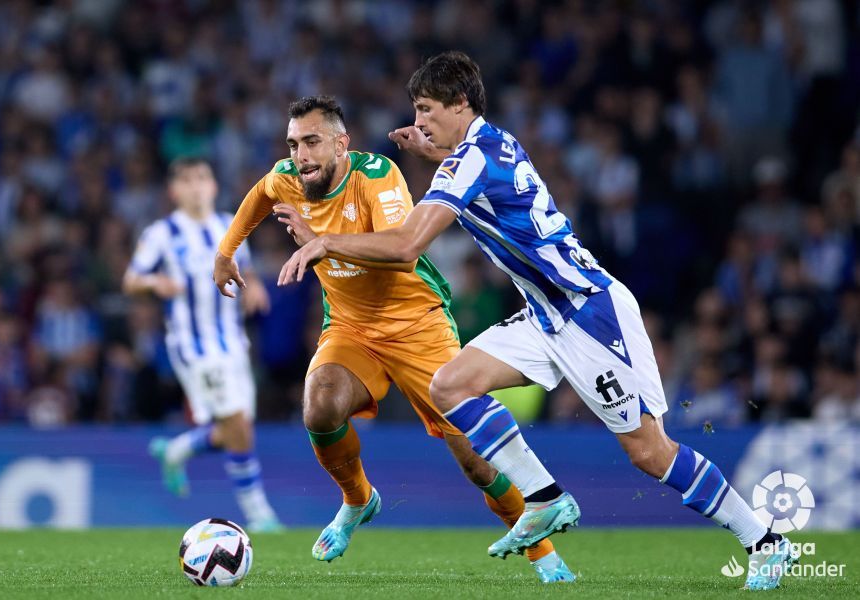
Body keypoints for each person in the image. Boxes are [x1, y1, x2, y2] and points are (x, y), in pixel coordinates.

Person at [277, 53, 795, 591]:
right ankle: (545, 498)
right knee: (450, 384)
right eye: (416, 109)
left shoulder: (468, 161)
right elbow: (468, 168)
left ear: (460, 104)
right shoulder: (492, 143)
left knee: (649, 452)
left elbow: (407, 244)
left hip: (589, 313)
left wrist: (325, 242)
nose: (419, 120)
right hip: (544, 313)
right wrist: (432, 149)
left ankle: (763, 540)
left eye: (427, 109)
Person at [213, 96, 569, 582]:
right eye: (293, 144)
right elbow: (259, 194)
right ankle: (358, 499)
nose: (301, 155)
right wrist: (226, 252)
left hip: (417, 326)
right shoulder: (288, 177)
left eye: (312, 142)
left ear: (342, 144)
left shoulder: (377, 177)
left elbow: (402, 252)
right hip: (351, 327)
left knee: (477, 462)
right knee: (319, 406)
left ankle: (544, 555)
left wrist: (321, 241)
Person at [123, 157, 282, 532]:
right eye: (186, 180)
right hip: (193, 345)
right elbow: (131, 279)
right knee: (236, 423)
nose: (195, 186)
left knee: (237, 429)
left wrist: (255, 287)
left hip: (233, 342)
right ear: (174, 191)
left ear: (213, 186)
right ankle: (259, 514)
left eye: (201, 178)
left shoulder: (230, 224)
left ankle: (176, 450)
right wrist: (154, 283)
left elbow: (245, 267)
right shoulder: (162, 233)